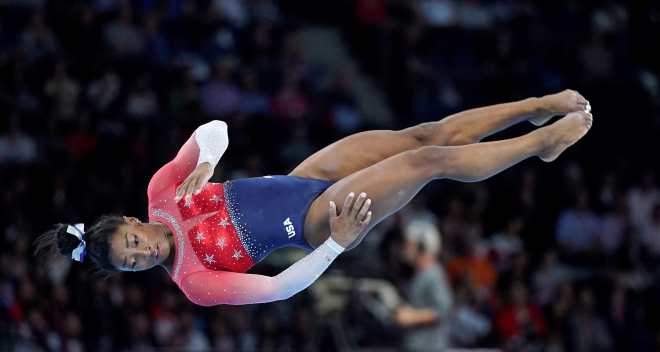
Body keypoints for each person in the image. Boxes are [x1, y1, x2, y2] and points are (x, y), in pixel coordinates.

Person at [34, 89, 592, 305]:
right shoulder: (195, 281)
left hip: (301, 177)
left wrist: (205, 163)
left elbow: (216, 129)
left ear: (133, 219)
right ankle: (543, 142)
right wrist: (336, 247)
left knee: (426, 133)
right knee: (428, 162)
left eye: (132, 242)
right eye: (133, 263)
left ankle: (535, 106)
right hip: (315, 219)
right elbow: (278, 287)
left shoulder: (163, 192)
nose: (143, 253)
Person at [395, 217, 454, 351]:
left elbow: (443, 310)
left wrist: (412, 316)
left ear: (422, 247)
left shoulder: (433, 275)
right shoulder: (420, 274)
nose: (405, 249)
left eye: (409, 245)